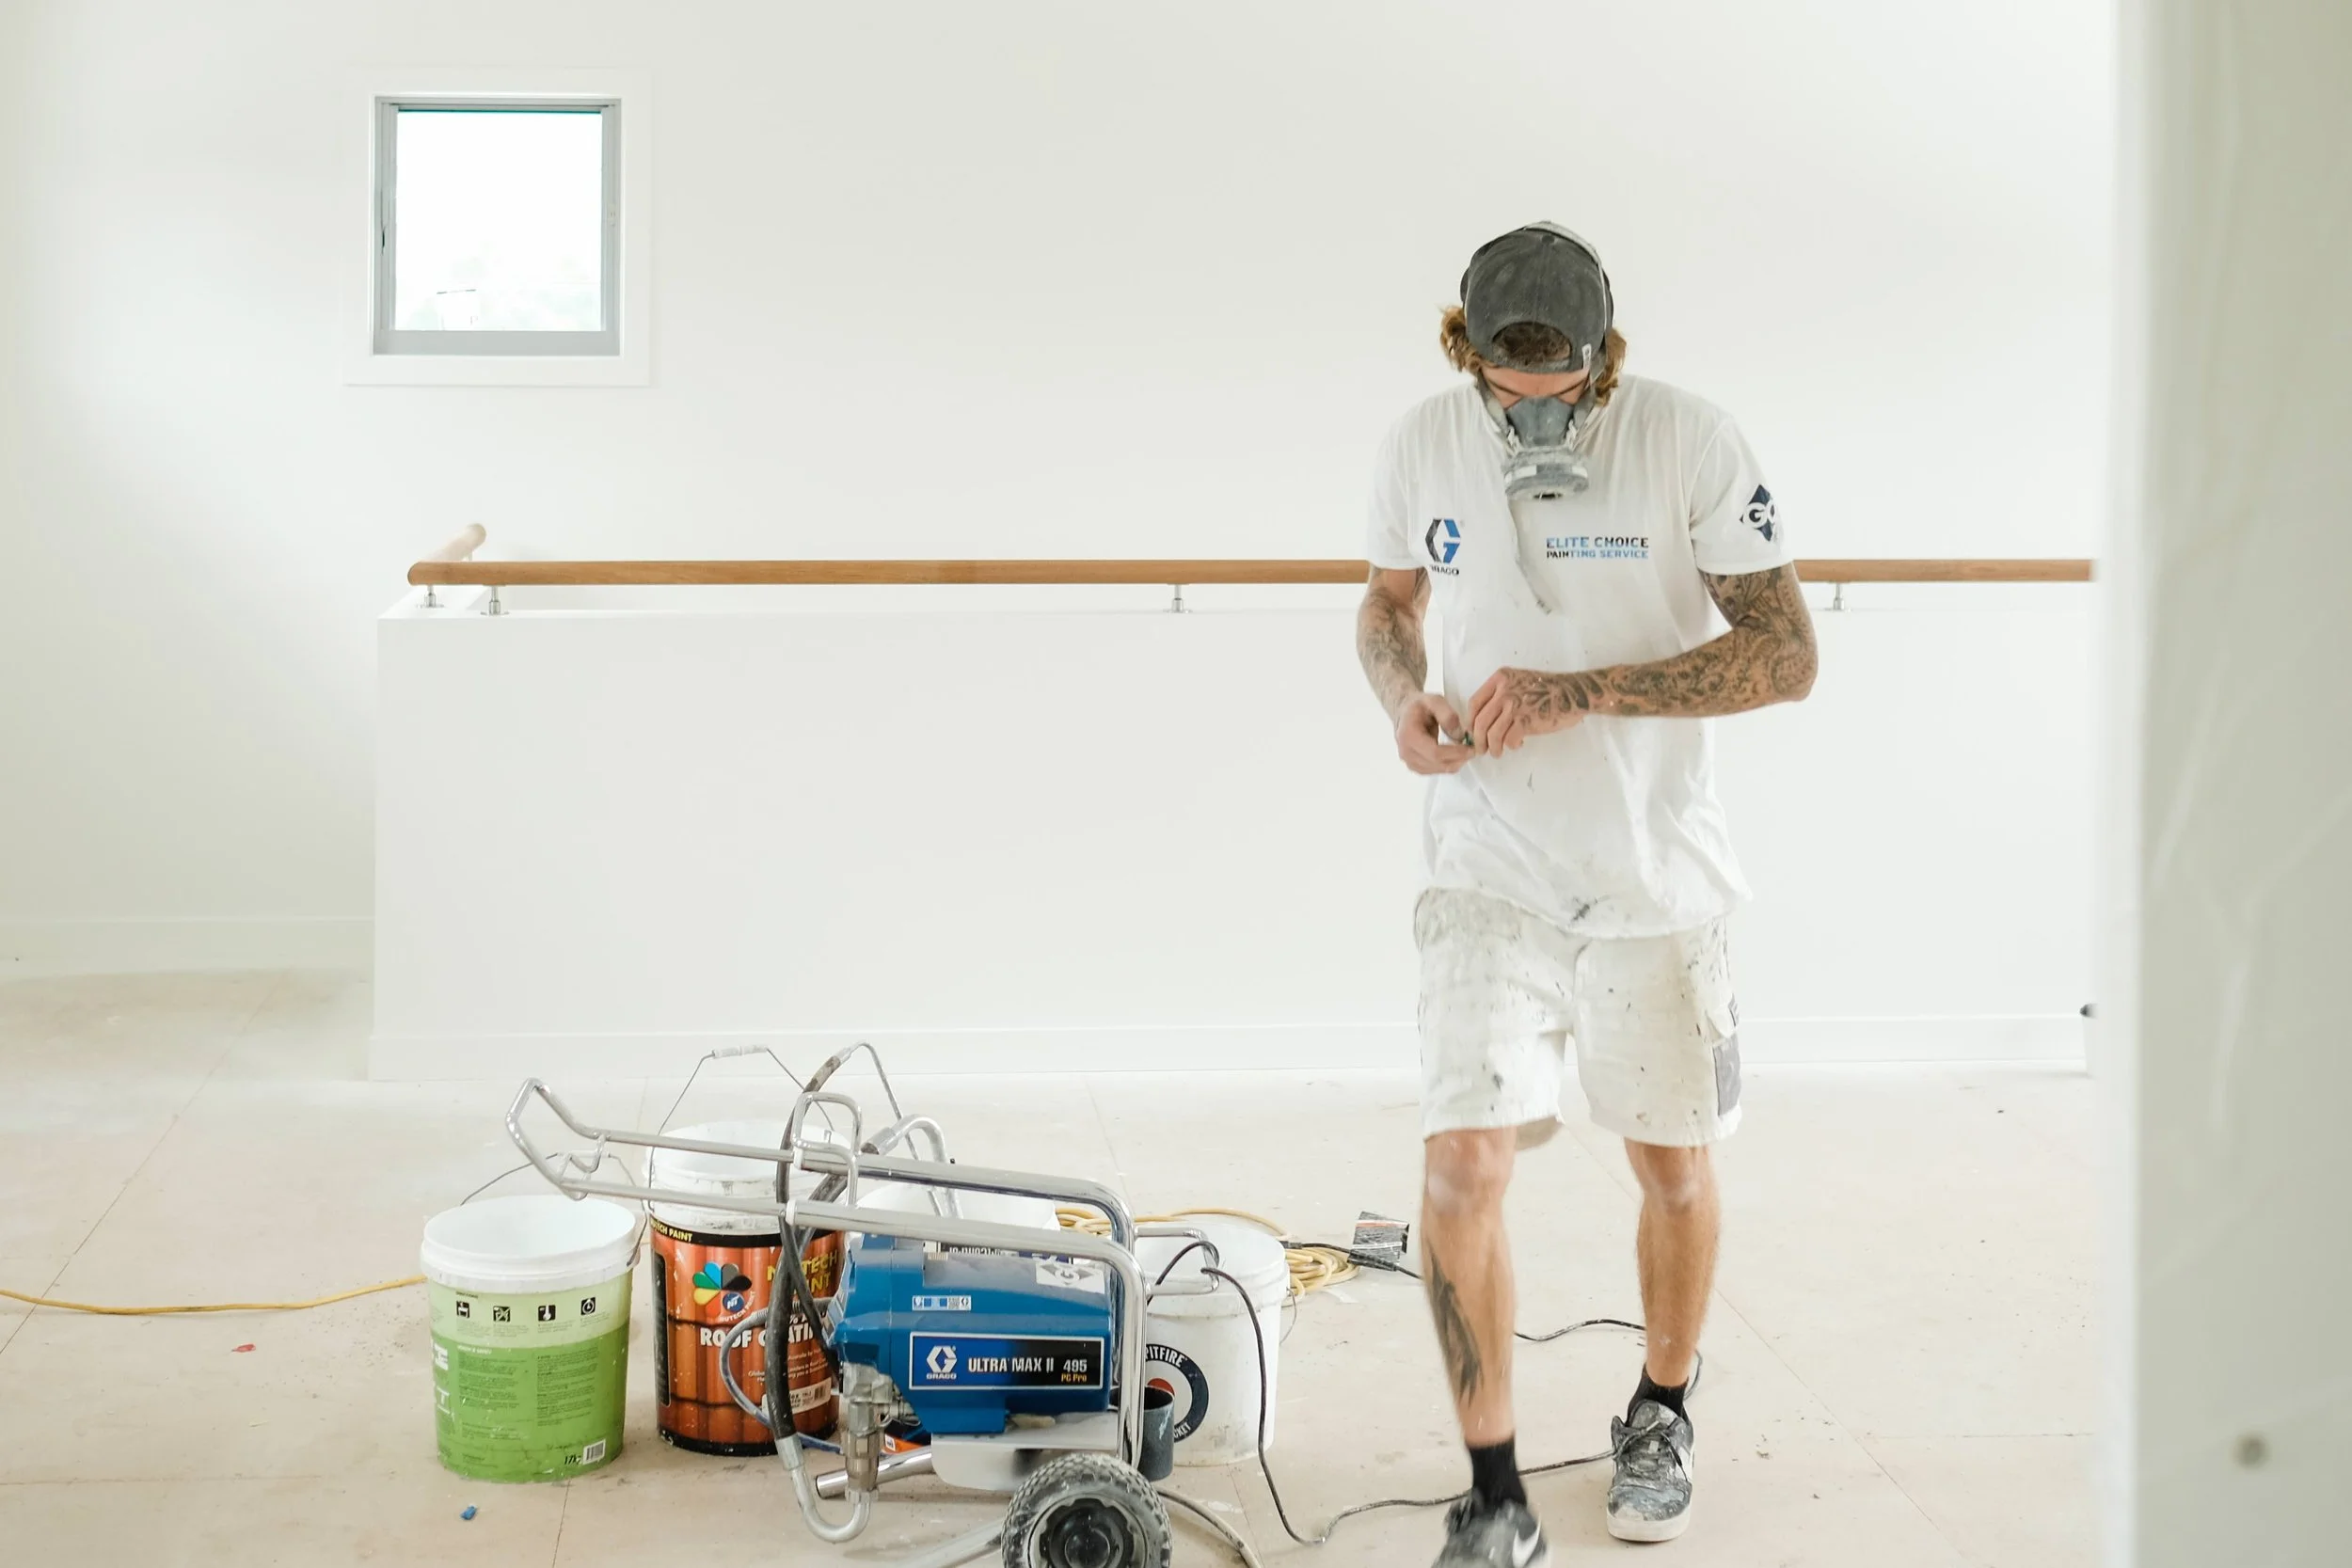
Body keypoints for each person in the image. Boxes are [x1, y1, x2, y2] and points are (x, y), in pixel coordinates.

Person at [1356, 222, 1818, 1564]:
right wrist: (1405, 699)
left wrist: (1585, 688)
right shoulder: (1421, 444)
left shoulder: (1690, 440)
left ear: (1607, 358)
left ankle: (1661, 1409)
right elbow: (1388, 606)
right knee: (1460, 1169)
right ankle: (1493, 1487)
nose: (1541, 410)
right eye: (1517, 389)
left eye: (1569, 388)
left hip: (1655, 874)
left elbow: (1786, 654)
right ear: (1471, 352)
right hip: (1486, 861)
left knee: (1672, 1167)